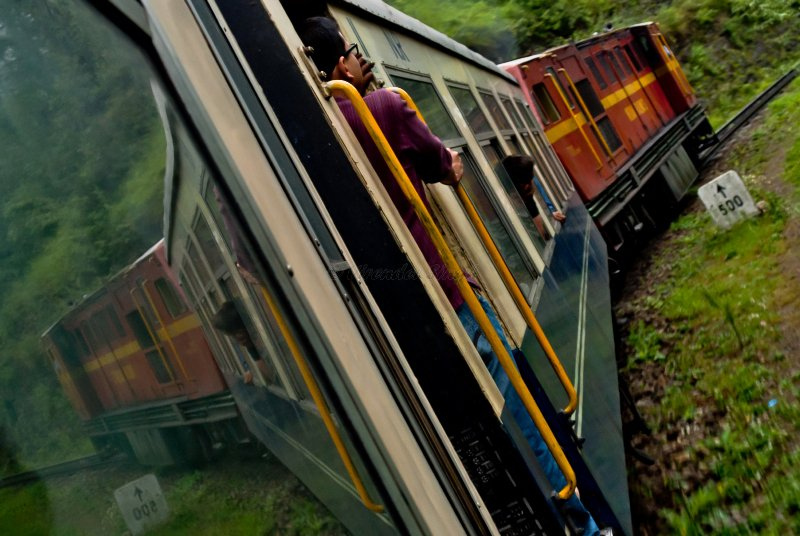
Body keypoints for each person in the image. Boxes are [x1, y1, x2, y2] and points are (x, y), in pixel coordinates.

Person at [300, 17, 601, 535]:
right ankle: (580, 522)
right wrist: (452, 161)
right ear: (339, 62)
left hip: (377, 318)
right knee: (514, 400)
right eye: (353, 52)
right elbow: (449, 166)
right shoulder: (386, 108)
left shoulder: (305, 138)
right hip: (443, 289)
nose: (360, 61)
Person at [212, 301, 271, 385]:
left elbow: (270, 375)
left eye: (232, 334)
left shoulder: (263, 337)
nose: (235, 338)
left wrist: (256, 374)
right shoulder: (251, 343)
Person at [502, 155, 565, 233]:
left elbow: (536, 211)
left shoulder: (529, 188)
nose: (527, 186)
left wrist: (550, 212)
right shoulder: (506, 196)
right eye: (524, 183)